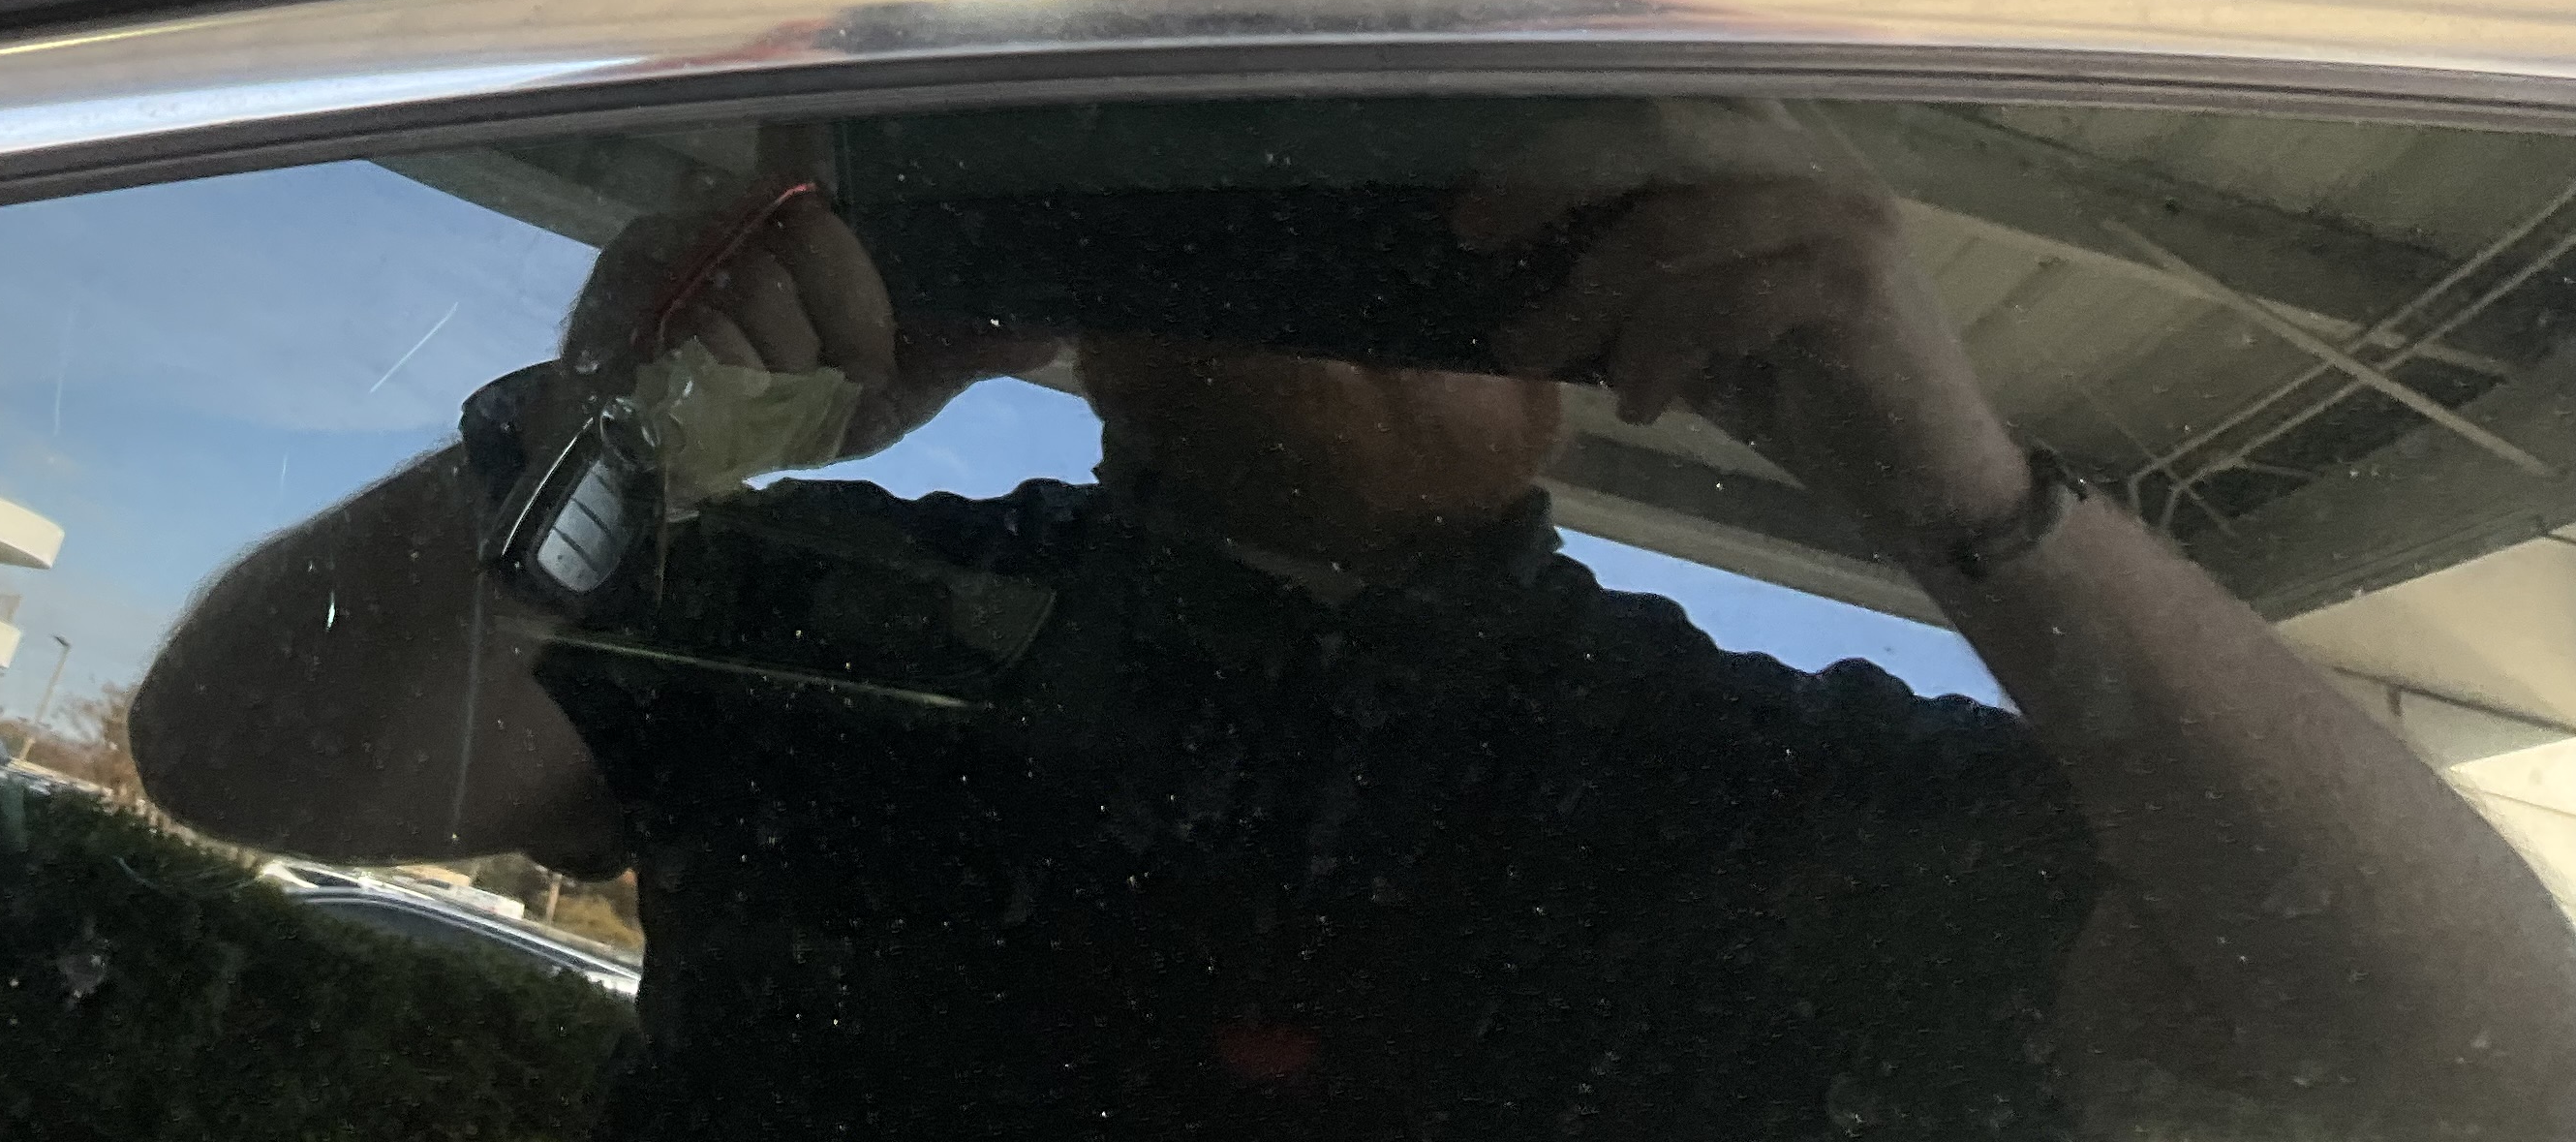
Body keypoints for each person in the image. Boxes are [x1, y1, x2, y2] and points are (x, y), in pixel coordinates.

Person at [131, 101, 2576, 1139]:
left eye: (1454, 214)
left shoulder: (1802, 773)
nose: (1353, 265)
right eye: (1252, 189)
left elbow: (2479, 1069)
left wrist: (1968, 493)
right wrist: (621, 431)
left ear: (1590, 344)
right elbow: (247, 759)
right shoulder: (820, 606)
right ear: (1088, 299)